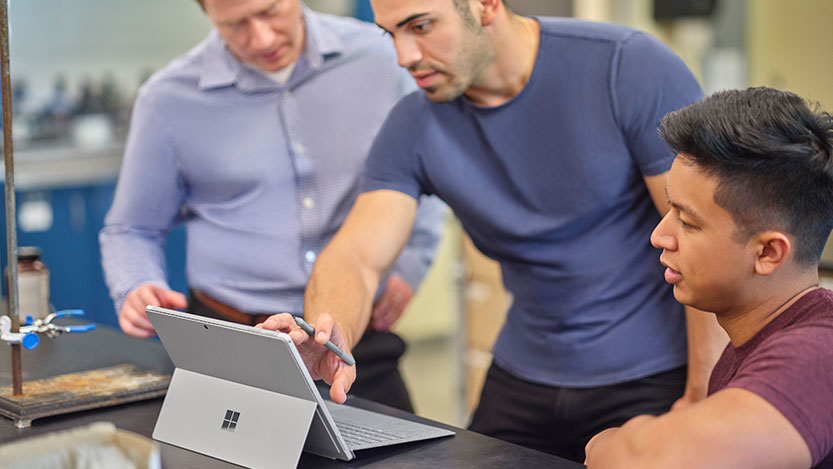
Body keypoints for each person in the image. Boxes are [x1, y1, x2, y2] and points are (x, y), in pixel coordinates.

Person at [259, 0, 725, 461]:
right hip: (525, 371)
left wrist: (703, 396)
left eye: (420, 26)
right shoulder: (413, 124)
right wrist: (329, 331)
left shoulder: (627, 66)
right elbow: (357, 255)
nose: (404, 56)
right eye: (391, 34)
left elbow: (702, 236)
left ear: (485, 6)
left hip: (655, 374)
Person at [99, 0, 446, 412]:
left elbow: (424, 171)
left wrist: (411, 263)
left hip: (354, 339)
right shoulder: (167, 99)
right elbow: (132, 229)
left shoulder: (382, 57)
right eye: (235, 24)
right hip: (233, 346)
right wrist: (136, 284)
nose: (262, 39)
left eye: (270, 11)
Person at [583, 87, 833, 468]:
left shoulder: (817, 352)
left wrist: (609, 445)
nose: (659, 236)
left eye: (687, 221)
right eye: (670, 211)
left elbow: (650, 461)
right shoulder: (749, 342)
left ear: (767, 253)